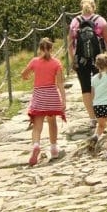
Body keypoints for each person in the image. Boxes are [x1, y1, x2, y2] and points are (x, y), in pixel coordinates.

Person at [68, 0, 107, 124]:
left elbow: (70, 44)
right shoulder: (100, 21)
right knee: (99, 86)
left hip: (81, 60)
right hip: (98, 59)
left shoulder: (75, 21)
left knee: (85, 88)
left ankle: (92, 118)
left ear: (81, 7)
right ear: (94, 7)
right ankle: (100, 113)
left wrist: (73, 61)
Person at [21, 37, 66, 165]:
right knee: (52, 123)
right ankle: (53, 148)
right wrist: (64, 100)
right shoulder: (56, 63)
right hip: (52, 95)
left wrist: (26, 77)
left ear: (40, 49)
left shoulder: (34, 61)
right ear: (51, 49)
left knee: (37, 126)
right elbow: (60, 83)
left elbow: (24, 74)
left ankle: (36, 145)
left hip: (39, 95)